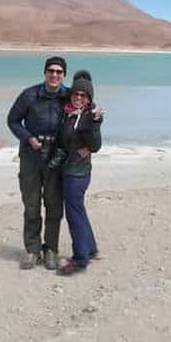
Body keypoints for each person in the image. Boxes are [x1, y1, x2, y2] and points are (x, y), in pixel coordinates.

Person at [7, 56, 68, 270]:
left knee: (54, 206)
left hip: (56, 160)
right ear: (44, 73)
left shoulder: (68, 97)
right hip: (30, 158)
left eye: (59, 72)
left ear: (64, 76)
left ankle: (50, 249)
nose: (54, 75)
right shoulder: (29, 95)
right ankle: (32, 250)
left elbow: (86, 111)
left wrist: (96, 122)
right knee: (31, 206)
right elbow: (12, 120)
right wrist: (28, 138)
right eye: (51, 71)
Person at [52, 70, 102, 276]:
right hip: (71, 168)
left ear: (89, 99)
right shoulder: (69, 112)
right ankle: (90, 248)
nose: (79, 98)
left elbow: (96, 145)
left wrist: (94, 125)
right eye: (76, 94)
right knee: (78, 209)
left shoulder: (89, 117)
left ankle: (80, 259)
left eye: (84, 95)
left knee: (73, 214)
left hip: (77, 173)